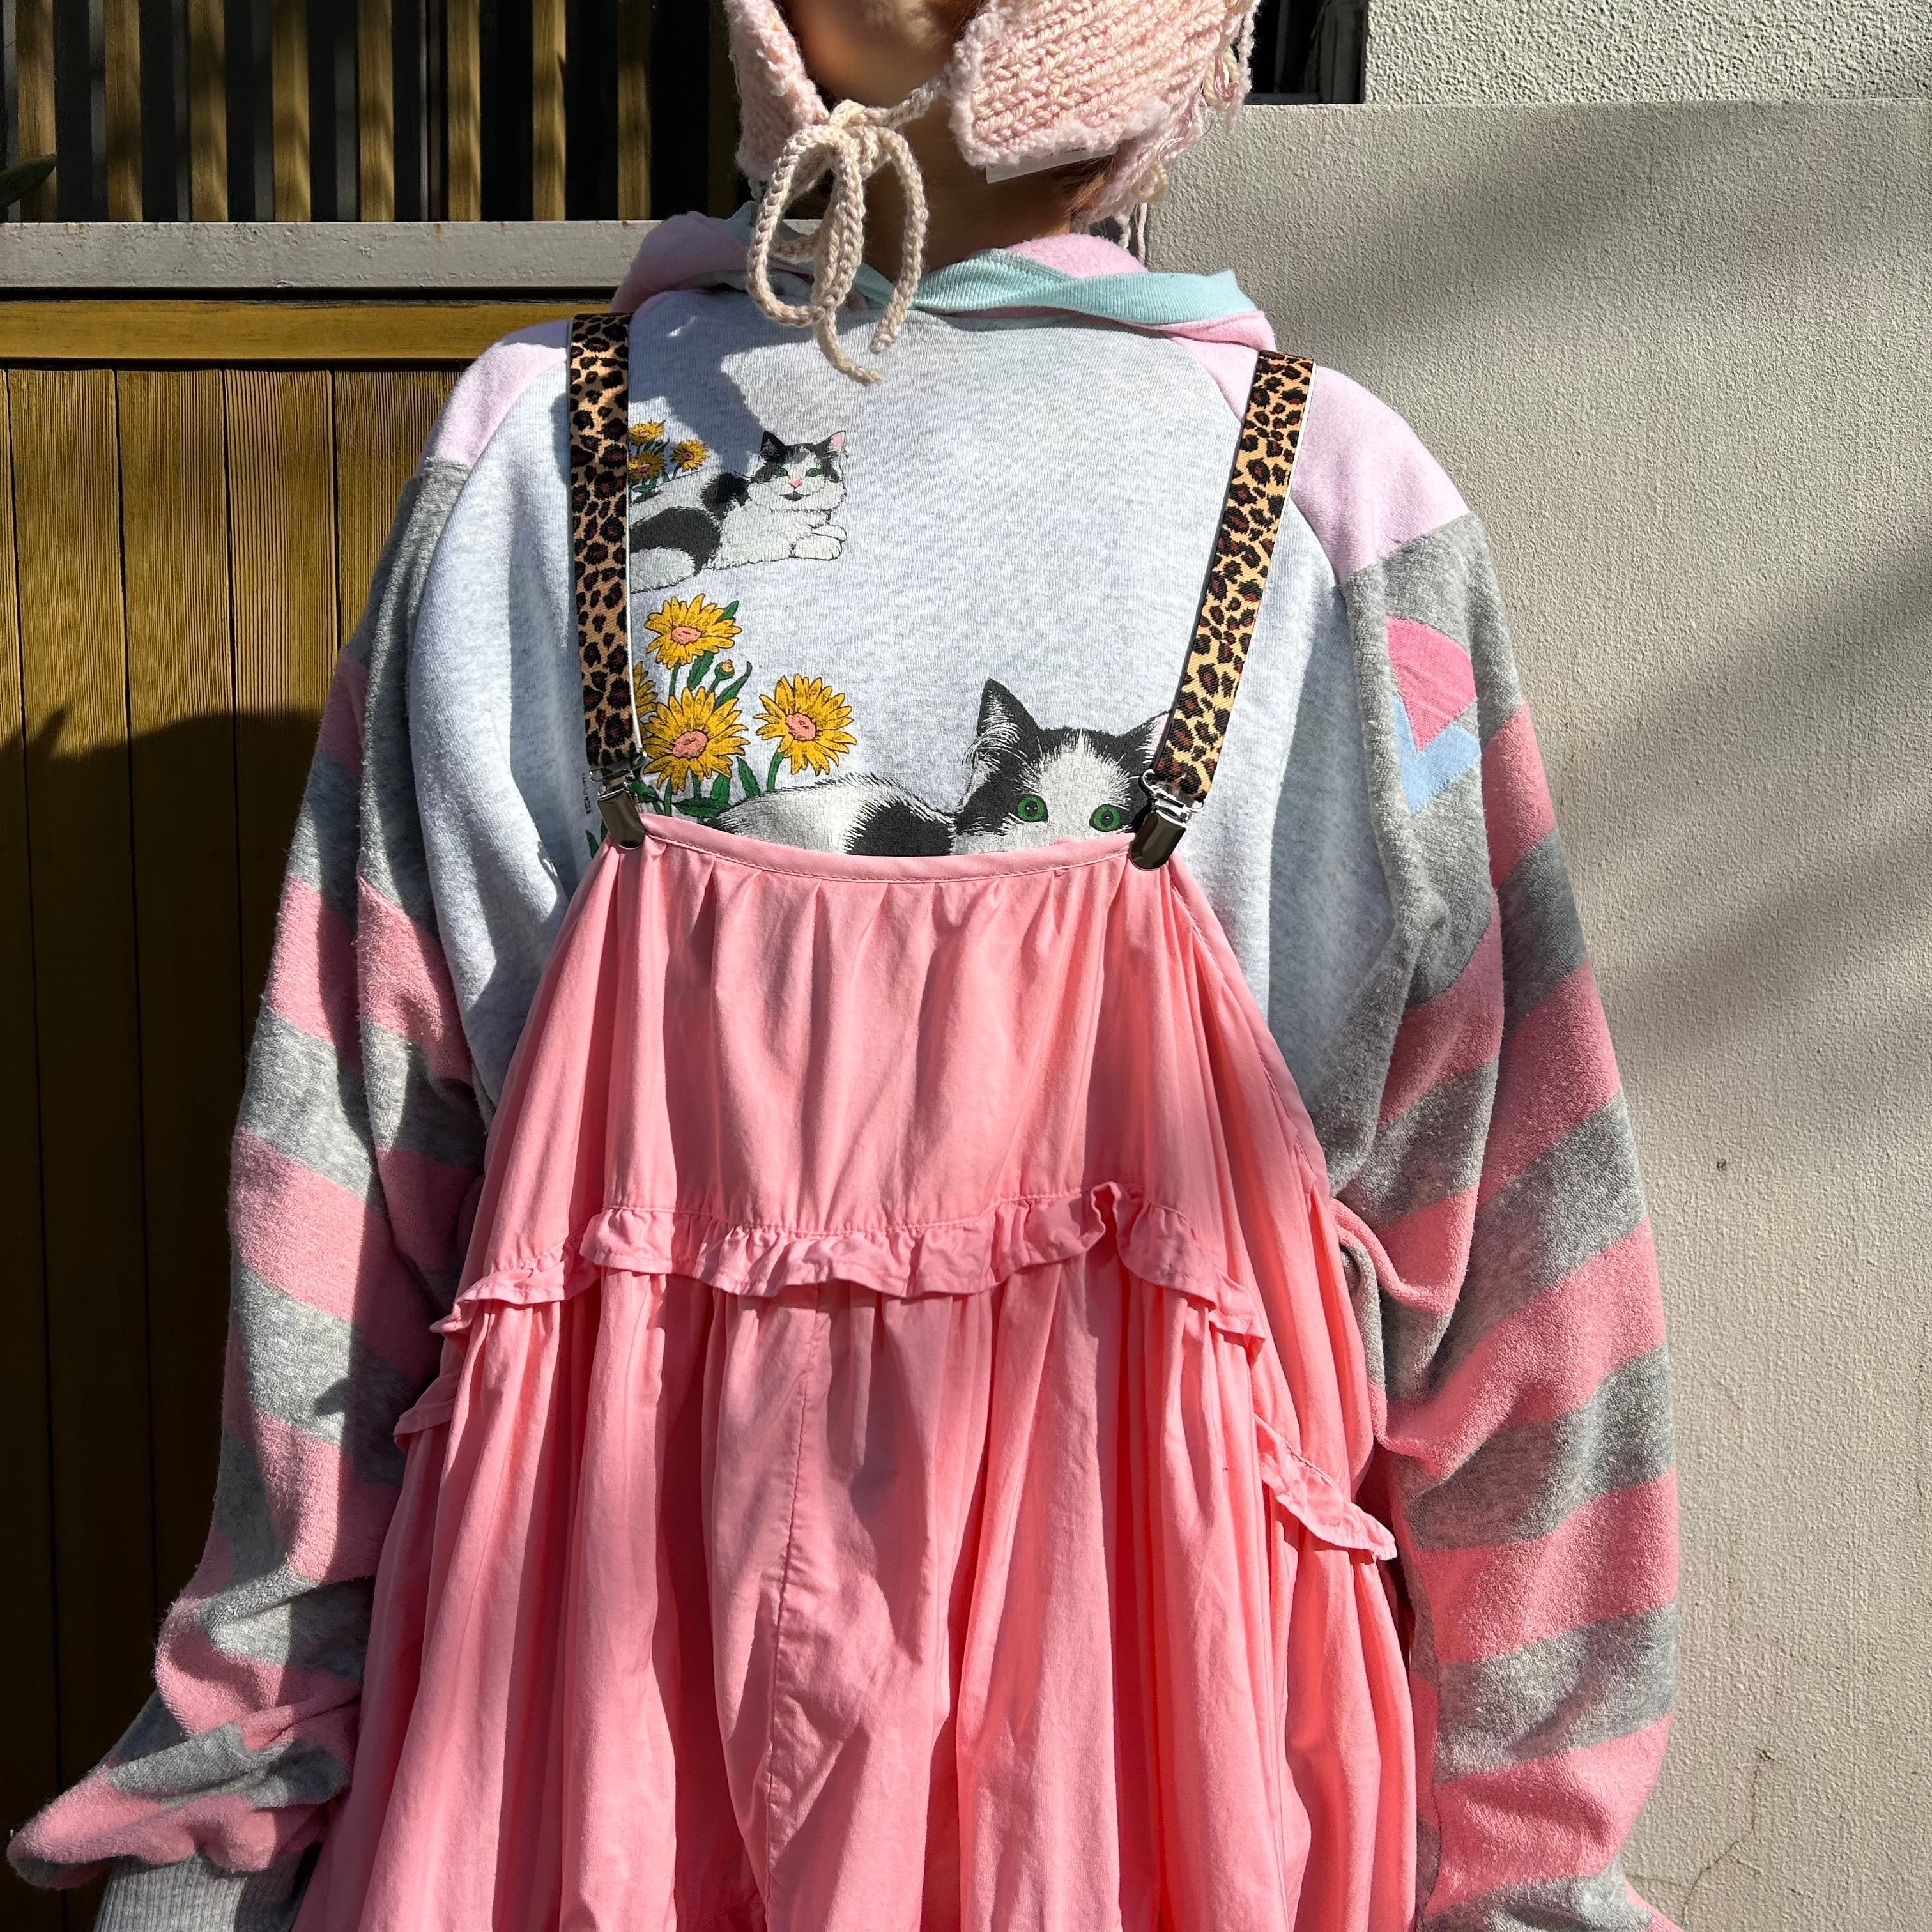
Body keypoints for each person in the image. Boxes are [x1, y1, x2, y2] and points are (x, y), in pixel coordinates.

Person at [10, 4, 1682, 1929]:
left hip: (1144, 1794)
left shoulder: (1333, 514)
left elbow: (1517, 1239)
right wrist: (227, 1815)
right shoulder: (542, 464)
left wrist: (1533, 1867)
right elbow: (348, 1172)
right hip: (588, 1755)